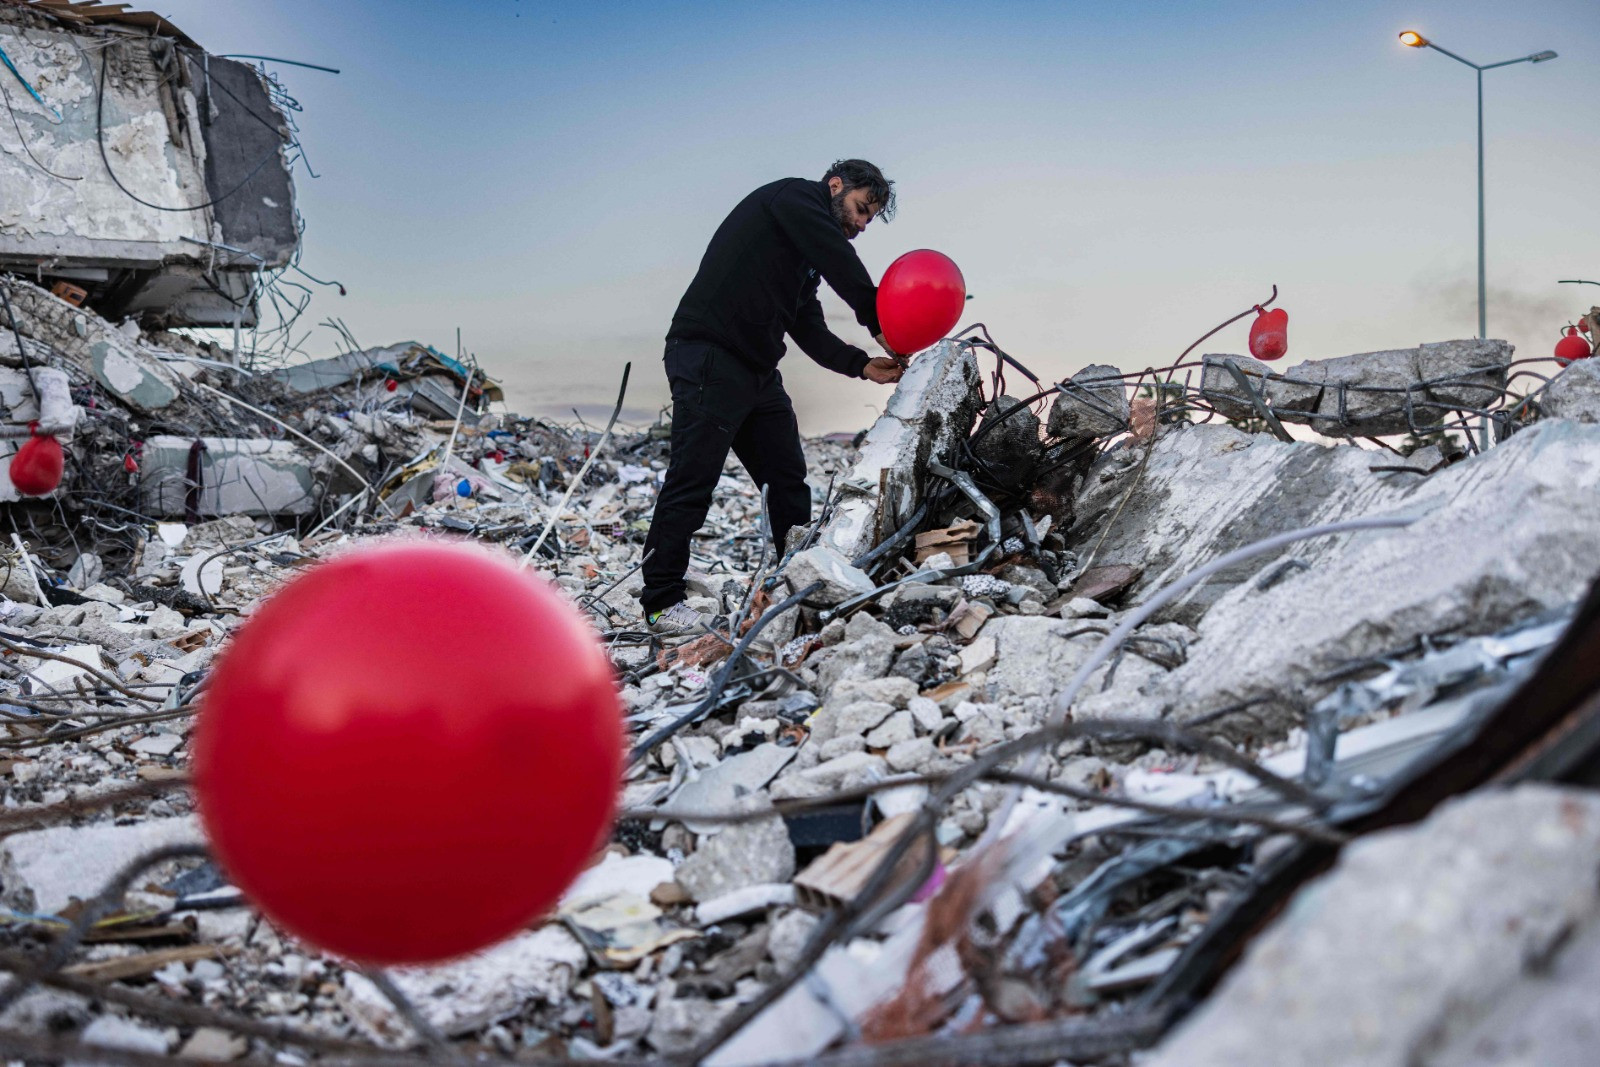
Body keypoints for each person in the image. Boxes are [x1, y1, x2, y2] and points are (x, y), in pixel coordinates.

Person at [640, 159, 905, 636]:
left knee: (787, 479)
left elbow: (808, 325)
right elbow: (834, 255)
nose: (862, 224)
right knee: (693, 481)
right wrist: (876, 316)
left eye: (869, 219)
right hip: (709, 356)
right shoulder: (792, 199)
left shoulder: (803, 260)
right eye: (862, 209)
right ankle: (661, 602)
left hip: (757, 372)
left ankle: (794, 584)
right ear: (835, 184)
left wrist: (861, 364)